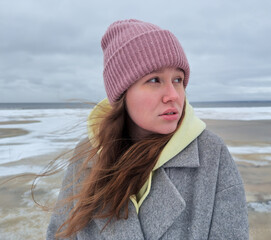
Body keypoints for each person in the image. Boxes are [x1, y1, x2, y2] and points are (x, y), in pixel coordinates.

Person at [46, 19, 249, 239]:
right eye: (154, 80)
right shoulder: (86, 159)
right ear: (123, 93)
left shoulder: (211, 153)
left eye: (178, 79)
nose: (173, 95)